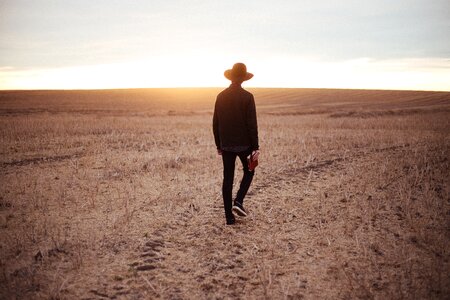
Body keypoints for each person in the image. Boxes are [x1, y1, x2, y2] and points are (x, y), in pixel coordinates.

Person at [213, 63, 260, 225]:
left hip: (226, 145)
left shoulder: (220, 96)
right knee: (250, 171)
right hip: (245, 145)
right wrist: (255, 147)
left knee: (228, 178)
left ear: (231, 77)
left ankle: (229, 218)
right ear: (243, 79)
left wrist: (218, 144)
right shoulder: (248, 97)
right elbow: (251, 124)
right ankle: (238, 201)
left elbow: (215, 122)